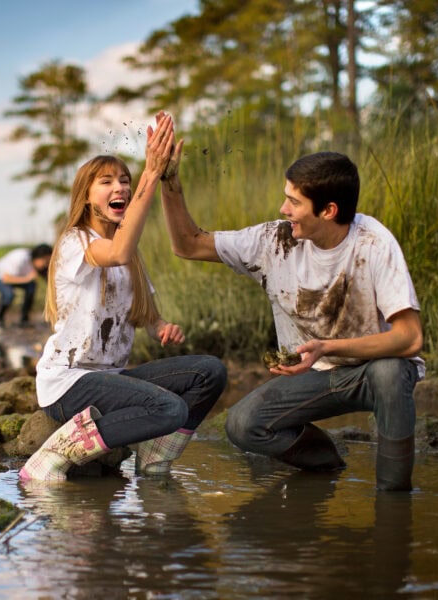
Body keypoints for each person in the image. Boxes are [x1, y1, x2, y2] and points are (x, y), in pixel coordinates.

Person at [159, 138, 424, 492]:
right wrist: (169, 181)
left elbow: (409, 337)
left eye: (294, 202)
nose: (283, 208)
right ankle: (329, 463)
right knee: (242, 425)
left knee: (392, 372)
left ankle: (393, 499)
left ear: (328, 210)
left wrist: (328, 347)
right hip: (313, 376)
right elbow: (188, 244)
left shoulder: (374, 242)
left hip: (370, 372)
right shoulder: (275, 241)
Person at [20, 113, 227, 482]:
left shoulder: (131, 257)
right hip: (68, 383)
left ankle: (152, 456)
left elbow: (149, 318)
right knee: (169, 409)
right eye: (107, 181)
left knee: (209, 372)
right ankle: (58, 452)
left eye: (126, 181)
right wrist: (151, 173)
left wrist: (163, 327)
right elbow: (113, 252)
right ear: (86, 196)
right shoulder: (75, 242)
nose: (121, 187)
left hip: (112, 379)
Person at [0, 243, 53, 328]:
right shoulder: (20, 258)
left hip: (18, 278)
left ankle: (24, 319)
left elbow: (48, 281)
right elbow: (6, 279)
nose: (46, 265)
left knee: (31, 287)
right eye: (45, 262)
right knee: (9, 294)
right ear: (39, 257)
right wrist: (27, 279)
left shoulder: (35, 264)